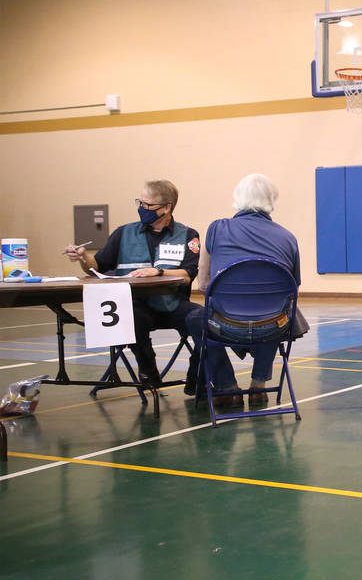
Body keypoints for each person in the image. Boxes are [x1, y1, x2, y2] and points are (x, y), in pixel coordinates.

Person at [64, 180, 204, 388]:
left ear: (166, 208)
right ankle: (148, 373)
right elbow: (97, 266)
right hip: (136, 305)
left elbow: (187, 274)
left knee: (204, 319)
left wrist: (159, 271)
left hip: (173, 304)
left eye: (148, 205)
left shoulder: (188, 235)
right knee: (131, 319)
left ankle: (197, 378)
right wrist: (84, 258)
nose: (142, 209)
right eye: (140, 203)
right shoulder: (123, 233)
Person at [187, 174, 301, 407]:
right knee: (278, 310)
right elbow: (292, 290)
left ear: (237, 199)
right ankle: (259, 387)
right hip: (271, 326)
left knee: (193, 319)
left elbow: (202, 285)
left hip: (225, 325)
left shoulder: (216, 229)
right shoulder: (288, 238)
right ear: (271, 201)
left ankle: (227, 387)